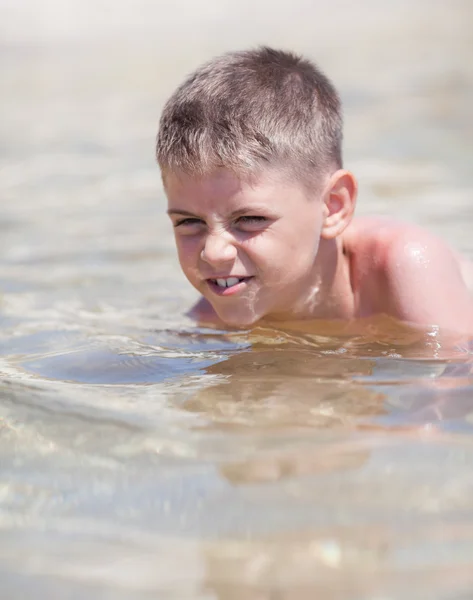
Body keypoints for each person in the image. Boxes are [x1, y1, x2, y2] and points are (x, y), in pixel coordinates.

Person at [155, 46, 473, 337]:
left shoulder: (405, 265)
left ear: (333, 206)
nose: (213, 252)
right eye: (188, 222)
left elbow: (451, 390)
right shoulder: (221, 300)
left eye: (249, 219)